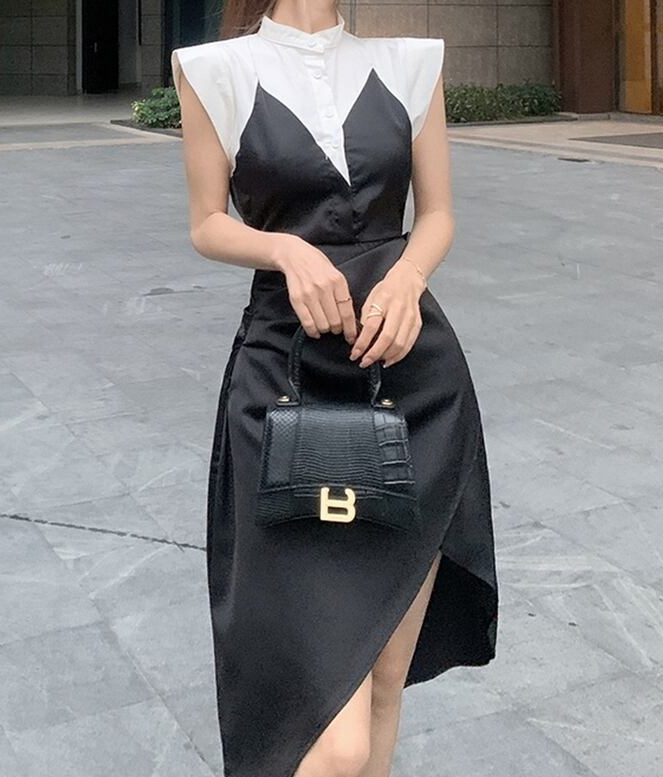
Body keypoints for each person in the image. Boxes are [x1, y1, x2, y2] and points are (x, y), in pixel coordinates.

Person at [170, 2, 498, 776]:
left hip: (411, 379)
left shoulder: (412, 63)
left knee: (385, 679)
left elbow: (437, 214)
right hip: (284, 382)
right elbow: (206, 222)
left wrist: (408, 277)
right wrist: (285, 250)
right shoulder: (213, 70)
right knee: (333, 739)